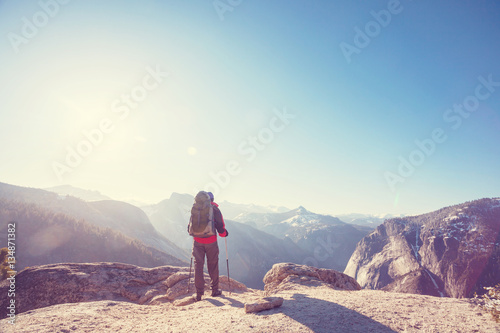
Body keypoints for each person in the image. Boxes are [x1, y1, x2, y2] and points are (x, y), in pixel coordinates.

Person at [190, 191, 228, 301]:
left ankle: (198, 294)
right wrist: (224, 233)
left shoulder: (195, 208)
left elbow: (190, 224)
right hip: (211, 241)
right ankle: (215, 290)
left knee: (198, 266)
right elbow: (221, 226)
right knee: (213, 265)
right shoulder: (214, 209)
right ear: (212, 199)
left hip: (197, 241)